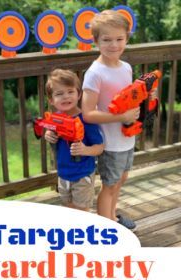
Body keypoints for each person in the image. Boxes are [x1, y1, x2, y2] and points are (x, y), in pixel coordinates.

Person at [82, 10, 141, 229]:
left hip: (127, 137)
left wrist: (144, 98)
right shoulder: (95, 73)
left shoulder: (126, 68)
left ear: (127, 38)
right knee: (109, 185)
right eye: (107, 40)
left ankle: (113, 217)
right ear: (96, 40)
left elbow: (128, 98)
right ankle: (107, 229)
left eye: (119, 39)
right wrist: (121, 116)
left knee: (121, 180)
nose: (114, 45)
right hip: (110, 141)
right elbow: (87, 112)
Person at [44, 69, 104, 212]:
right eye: (59, 94)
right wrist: (48, 135)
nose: (66, 97)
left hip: (82, 174)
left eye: (70, 92)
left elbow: (100, 147)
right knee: (68, 207)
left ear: (79, 94)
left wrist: (85, 150)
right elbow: (51, 135)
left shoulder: (86, 119)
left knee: (82, 210)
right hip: (63, 173)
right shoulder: (55, 119)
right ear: (51, 100)